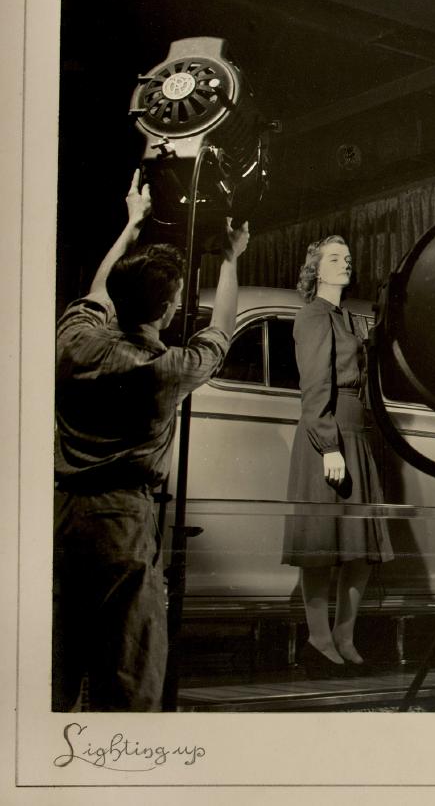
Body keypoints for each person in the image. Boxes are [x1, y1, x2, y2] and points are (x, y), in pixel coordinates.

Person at [53, 169, 250, 711]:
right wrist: (231, 258)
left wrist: (132, 224)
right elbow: (222, 330)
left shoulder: (73, 342)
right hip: (124, 523)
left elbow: (100, 287)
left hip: (61, 516)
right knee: (130, 670)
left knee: (55, 665)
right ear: (166, 310)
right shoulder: (166, 368)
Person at [282, 236, 394, 677]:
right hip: (328, 435)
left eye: (347, 257)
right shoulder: (312, 316)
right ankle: (319, 638)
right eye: (334, 258)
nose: (344, 263)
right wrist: (329, 446)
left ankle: (345, 637)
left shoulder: (347, 317)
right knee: (322, 550)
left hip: (356, 432)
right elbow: (314, 389)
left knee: (359, 550)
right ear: (316, 270)